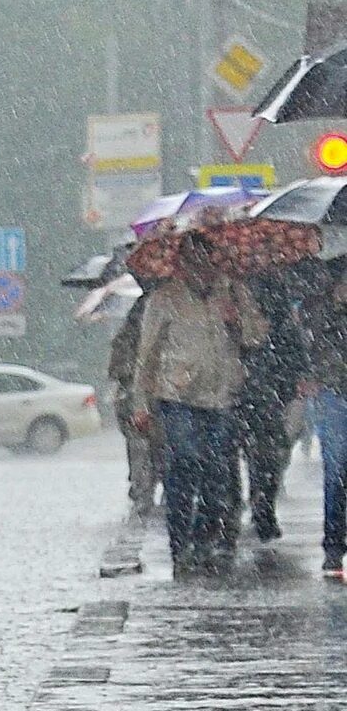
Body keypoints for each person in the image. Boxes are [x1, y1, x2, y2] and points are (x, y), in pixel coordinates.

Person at [130, 233, 267, 577]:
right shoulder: (164, 299)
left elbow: (257, 336)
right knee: (185, 463)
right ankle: (180, 544)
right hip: (178, 397)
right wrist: (140, 403)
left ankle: (205, 539)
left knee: (217, 472)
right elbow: (146, 355)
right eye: (190, 259)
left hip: (221, 396)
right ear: (179, 263)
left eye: (204, 258)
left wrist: (236, 318)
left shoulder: (232, 292)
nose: (199, 266)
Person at [235, 263, 309, 545]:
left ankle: (261, 505)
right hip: (246, 381)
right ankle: (256, 506)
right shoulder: (229, 288)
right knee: (261, 451)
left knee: (267, 451)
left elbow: (288, 334)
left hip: (268, 382)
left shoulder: (273, 286)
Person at [295, 264, 347, 580]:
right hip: (331, 394)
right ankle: (333, 545)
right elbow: (302, 348)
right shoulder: (317, 307)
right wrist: (307, 376)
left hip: (330, 391)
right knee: (337, 468)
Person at [107, 291, 159, 514]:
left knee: (141, 446)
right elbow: (118, 368)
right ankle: (145, 488)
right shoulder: (129, 336)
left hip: (151, 392)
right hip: (148, 393)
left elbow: (116, 369)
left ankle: (143, 488)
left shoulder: (128, 333)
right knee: (144, 444)